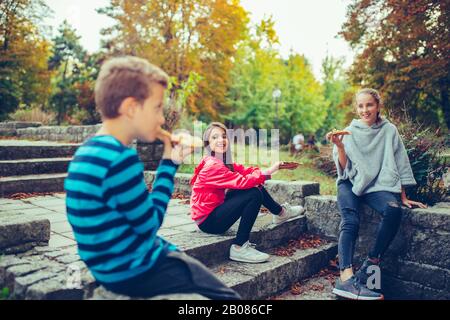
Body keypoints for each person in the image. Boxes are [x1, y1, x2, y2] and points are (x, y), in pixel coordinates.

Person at [65, 56, 240, 300]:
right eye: (157, 107)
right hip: (135, 271)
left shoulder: (87, 152)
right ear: (131, 108)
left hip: (105, 267)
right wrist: (169, 164)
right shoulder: (119, 159)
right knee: (229, 299)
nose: (161, 119)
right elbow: (150, 224)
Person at [327, 88, 427, 300]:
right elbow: (344, 168)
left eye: (369, 105)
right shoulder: (349, 131)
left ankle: (371, 263)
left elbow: (399, 162)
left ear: (378, 106)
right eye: (361, 106)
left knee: (393, 211)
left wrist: (403, 195)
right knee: (350, 221)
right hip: (350, 183)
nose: (365, 110)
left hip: (375, 186)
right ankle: (346, 279)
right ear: (357, 108)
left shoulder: (389, 130)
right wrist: (340, 147)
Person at [190, 122, 305, 264]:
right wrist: (269, 171)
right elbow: (243, 182)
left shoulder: (223, 161)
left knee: (255, 186)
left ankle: (281, 213)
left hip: (214, 210)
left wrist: (272, 169)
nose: (221, 140)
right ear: (208, 143)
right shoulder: (213, 166)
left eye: (224, 136)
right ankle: (239, 247)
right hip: (209, 222)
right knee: (253, 193)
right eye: (215, 137)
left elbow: (246, 172)